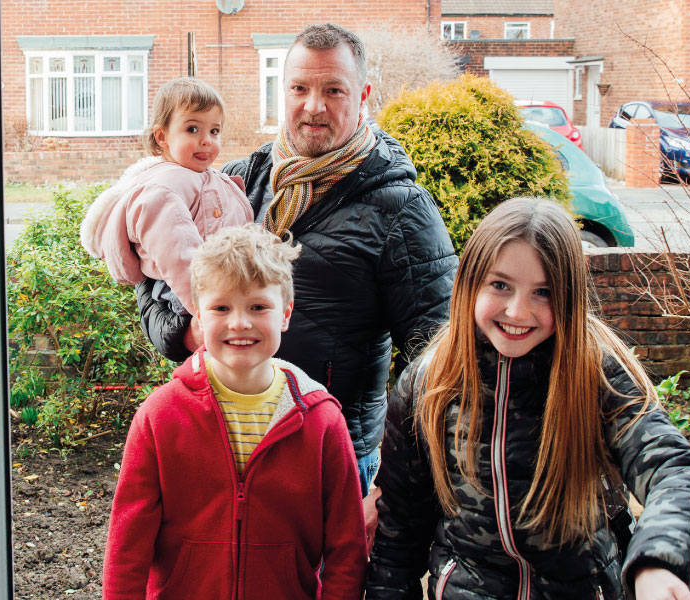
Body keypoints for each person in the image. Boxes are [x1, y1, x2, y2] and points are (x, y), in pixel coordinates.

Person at [136, 23, 457, 499]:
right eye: (300, 88)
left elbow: (437, 361)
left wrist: (393, 484)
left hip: (331, 455)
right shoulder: (235, 183)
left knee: (328, 577)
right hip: (225, 441)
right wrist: (184, 331)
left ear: (363, 94)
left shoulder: (401, 209)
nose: (313, 105)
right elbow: (153, 278)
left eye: (333, 90)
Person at [366, 198, 690, 600]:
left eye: (543, 292)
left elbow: (674, 470)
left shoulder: (597, 374)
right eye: (500, 285)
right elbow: (399, 533)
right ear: (470, 283)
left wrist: (656, 562)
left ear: (569, 297)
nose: (517, 311)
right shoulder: (429, 382)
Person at [104, 224, 367, 599]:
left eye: (258, 307)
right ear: (198, 314)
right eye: (221, 307)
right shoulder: (160, 416)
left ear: (286, 313)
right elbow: (127, 545)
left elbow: (347, 547)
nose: (239, 322)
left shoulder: (322, 420)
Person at [81, 77, 252, 316]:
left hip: (219, 287)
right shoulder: (163, 189)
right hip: (191, 292)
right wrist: (210, 312)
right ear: (162, 137)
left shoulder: (202, 176)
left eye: (214, 131)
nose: (207, 140)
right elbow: (179, 257)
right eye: (192, 129)